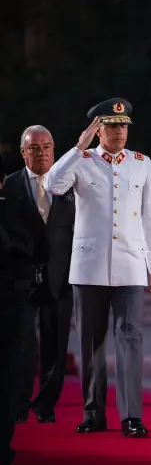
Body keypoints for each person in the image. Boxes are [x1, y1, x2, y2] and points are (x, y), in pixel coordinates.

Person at [46, 98, 151, 438]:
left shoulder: (141, 164)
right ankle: (93, 413)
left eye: (124, 126)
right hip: (89, 266)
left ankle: (131, 416)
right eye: (113, 127)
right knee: (91, 343)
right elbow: (53, 184)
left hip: (130, 265)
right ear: (99, 129)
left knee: (131, 340)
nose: (120, 132)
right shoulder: (82, 162)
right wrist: (77, 147)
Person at [5, 126, 75, 424]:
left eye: (47, 146)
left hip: (59, 277)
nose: (42, 152)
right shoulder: (9, 186)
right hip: (19, 279)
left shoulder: (70, 185)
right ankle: (18, 403)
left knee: (55, 345)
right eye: (35, 148)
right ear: (23, 152)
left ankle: (46, 405)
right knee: (21, 345)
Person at [0, 151, 49, 465]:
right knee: (9, 375)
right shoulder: (15, 206)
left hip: (13, 302)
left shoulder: (12, 207)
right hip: (14, 301)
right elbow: (40, 245)